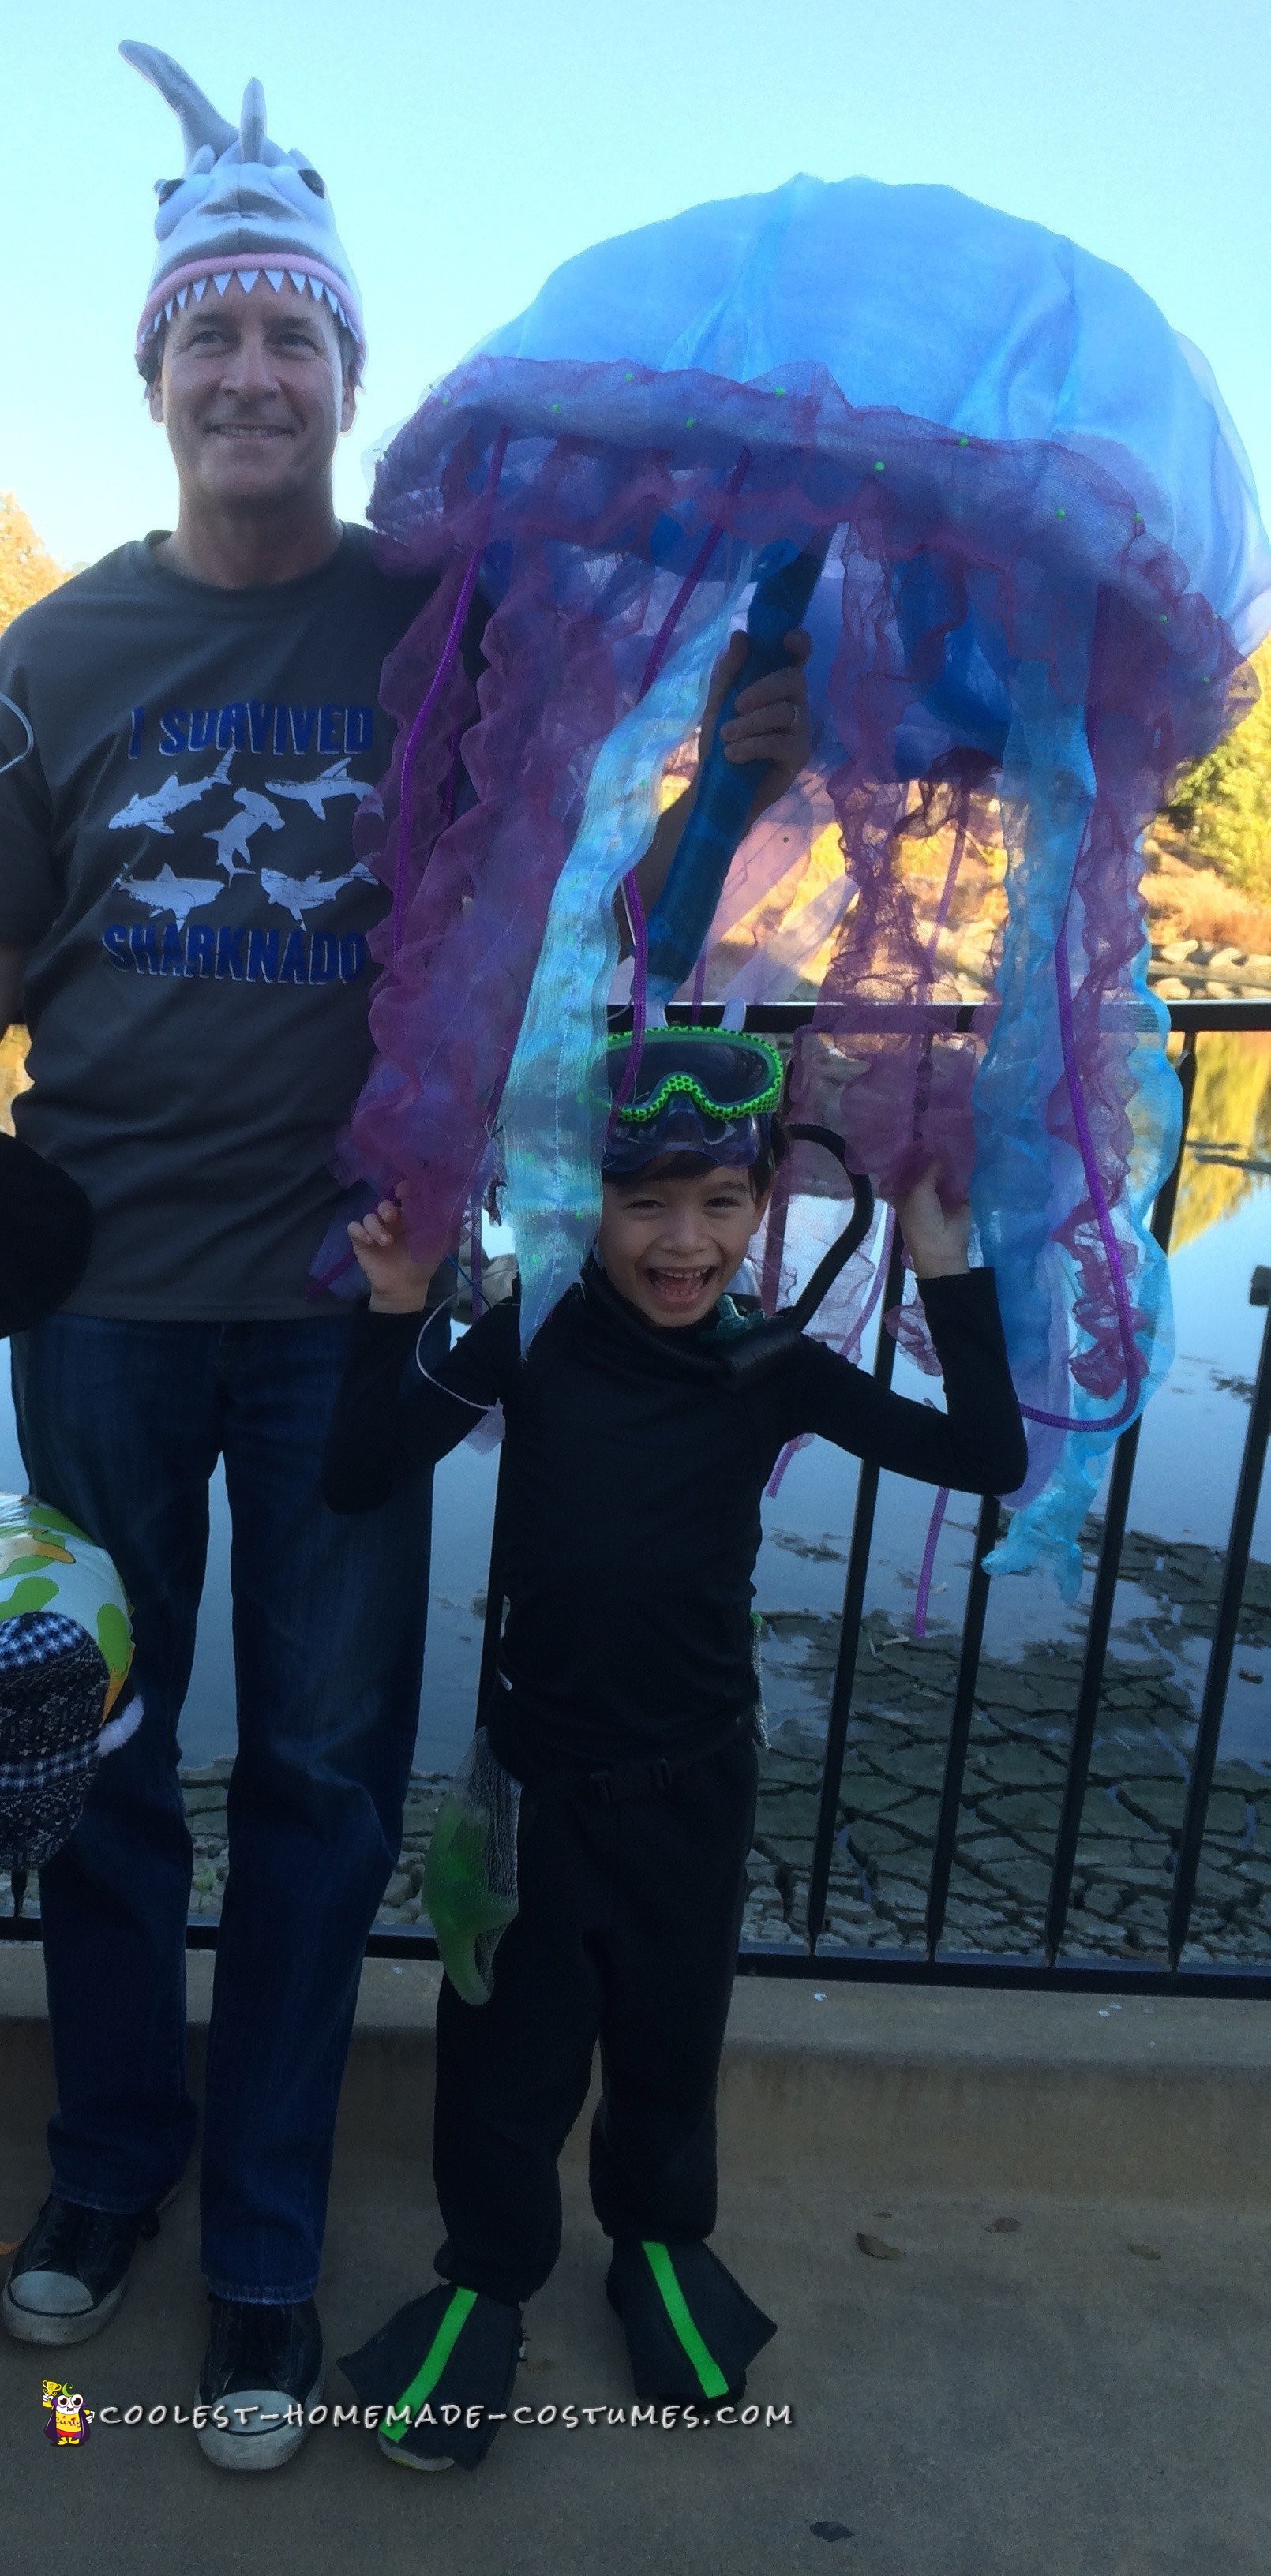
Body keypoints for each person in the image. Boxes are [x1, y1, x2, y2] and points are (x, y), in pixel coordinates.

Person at [0, 48, 812, 2473]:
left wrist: (743, 785)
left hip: (359, 1309)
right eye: (209, 338)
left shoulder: (450, 627)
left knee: (334, 1787)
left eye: (296, 340)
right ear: (152, 376)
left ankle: (265, 2247)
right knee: (105, 1770)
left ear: (349, 379)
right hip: (110, 1303)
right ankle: (108, 2169)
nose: (254, 375)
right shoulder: (46, 665)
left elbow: (583, 922)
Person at [321, 1026, 1028, 2470]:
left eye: (719, 1203)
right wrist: (394, 1309)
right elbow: (356, 1473)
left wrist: (946, 1266)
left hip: (698, 1778)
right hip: (533, 1786)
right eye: (645, 1203)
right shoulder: (526, 1335)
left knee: (668, 2039)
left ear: (766, 1201)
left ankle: (657, 2245)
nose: (681, 1242)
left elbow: (985, 1458)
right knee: (506, 2058)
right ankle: (488, 2281)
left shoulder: (773, 1365)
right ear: (590, 1202)